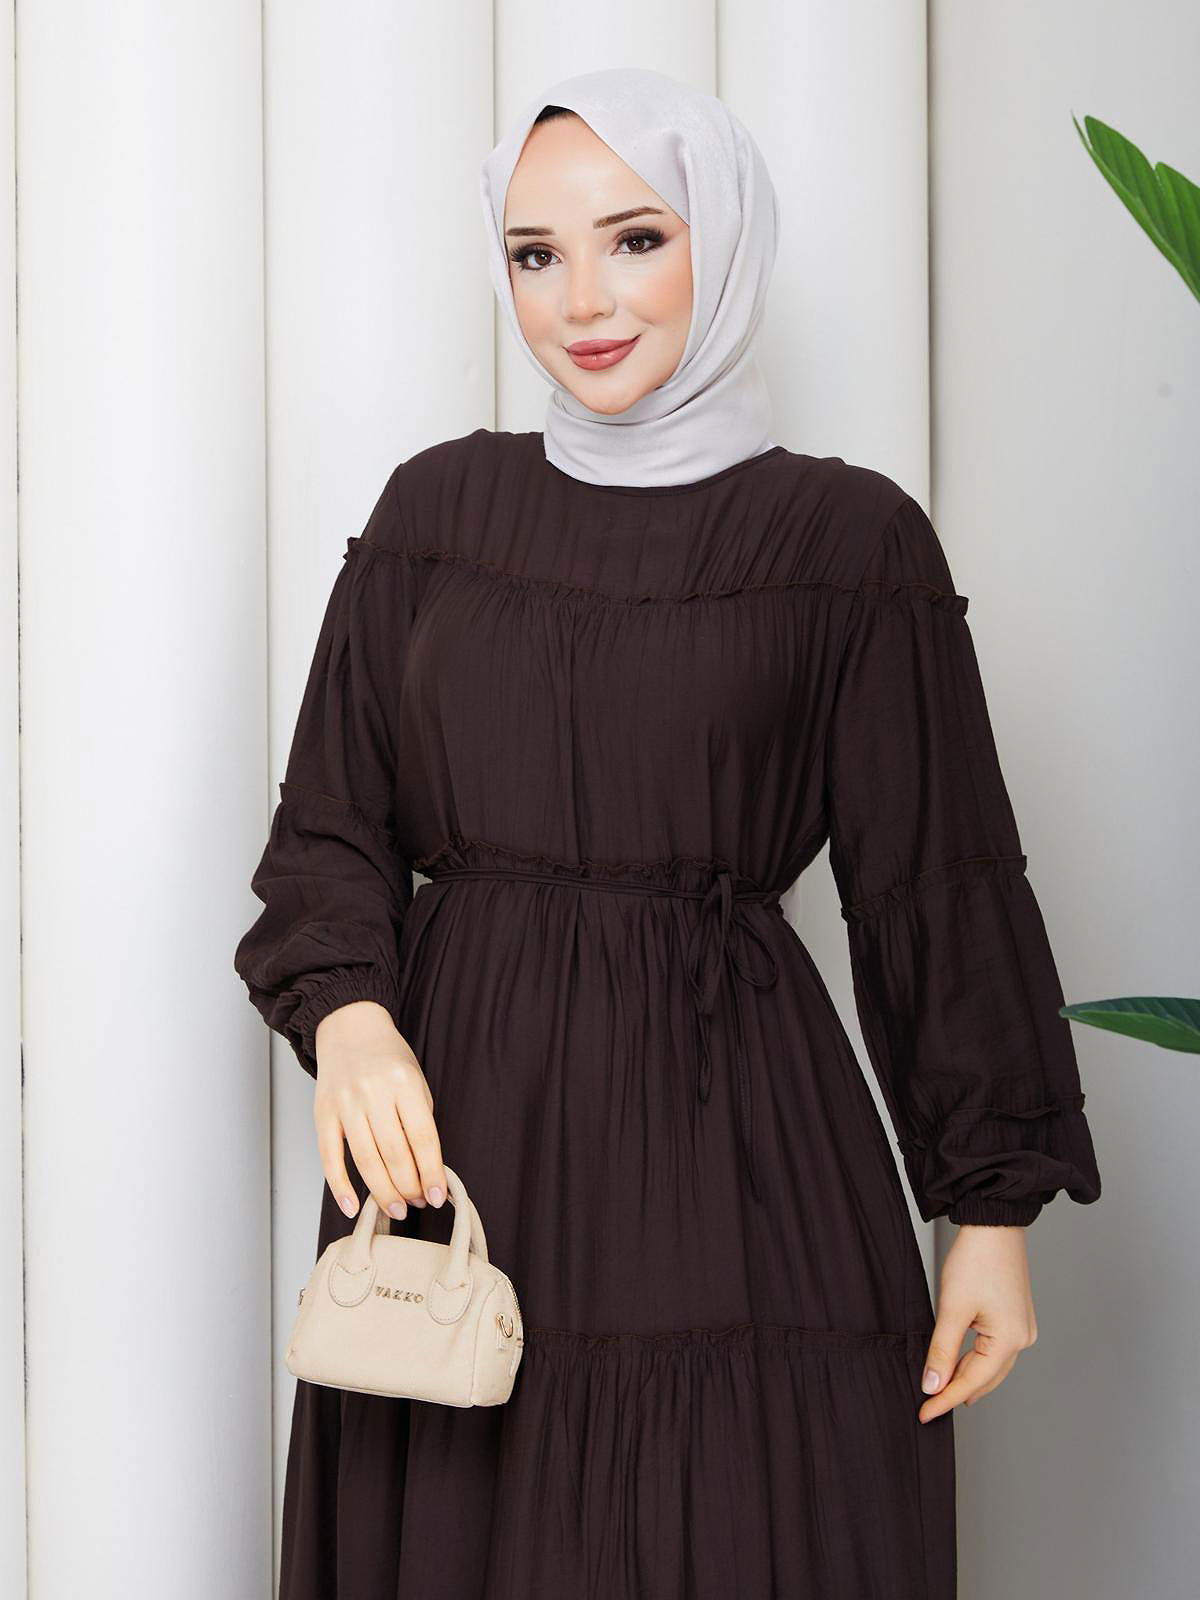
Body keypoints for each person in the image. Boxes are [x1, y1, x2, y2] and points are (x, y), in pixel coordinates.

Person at [234, 65, 1101, 1599]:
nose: (582, 300)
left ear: (727, 238)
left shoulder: (849, 542)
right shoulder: (435, 514)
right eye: (535, 253)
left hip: (738, 1165)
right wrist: (350, 1017)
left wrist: (991, 1210)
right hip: (467, 1147)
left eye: (636, 239)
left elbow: (935, 883)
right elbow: (330, 824)